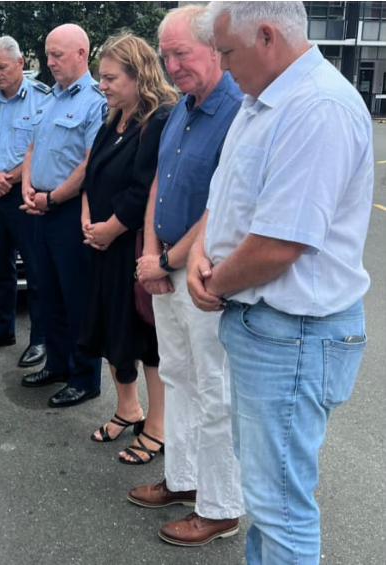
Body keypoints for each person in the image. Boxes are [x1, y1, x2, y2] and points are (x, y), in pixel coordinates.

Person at [188, 2, 373, 563]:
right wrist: (201, 251)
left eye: (226, 51)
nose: (221, 64)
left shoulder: (316, 107)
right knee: (267, 502)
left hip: (291, 335)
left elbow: (279, 243)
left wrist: (215, 281)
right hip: (268, 330)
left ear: (266, 35)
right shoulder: (262, 101)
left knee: (280, 509)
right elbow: (227, 201)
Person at [129, 4, 245, 546]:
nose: (172, 66)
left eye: (183, 54)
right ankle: (185, 479)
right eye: (166, 55)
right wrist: (151, 254)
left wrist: (169, 262)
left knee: (213, 389)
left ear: (215, 50)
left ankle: (220, 507)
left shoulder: (237, 111)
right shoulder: (182, 108)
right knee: (178, 378)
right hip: (167, 269)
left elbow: (222, 206)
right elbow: (160, 184)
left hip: (203, 278)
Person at [77, 32, 176, 466]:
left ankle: (156, 427)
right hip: (101, 242)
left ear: (139, 75)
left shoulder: (156, 121)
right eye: (101, 77)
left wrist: (110, 229)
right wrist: (86, 215)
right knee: (109, 329)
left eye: (111, 77)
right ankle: (126, 407)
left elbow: (143, 190)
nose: (103, 85)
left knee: (143, 336)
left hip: (130, 245)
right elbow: (92, 172)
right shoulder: (112, 117)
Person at [19, 23, 106, 407]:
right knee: (48, 293)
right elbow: (33, 146)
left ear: (81, 55)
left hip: (70, 212)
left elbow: (90, 164)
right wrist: (27, 185)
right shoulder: (49, 98)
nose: (49, 61)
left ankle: (85, 377)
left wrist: (52, 198)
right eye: (48, 54)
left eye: (57, 54)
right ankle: (57, 364)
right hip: (40, 209)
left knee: (77, 298)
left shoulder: (95, 101)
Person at [0, 36, 50, 368]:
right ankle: (1, 329)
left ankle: (40, 339)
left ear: (20, 64)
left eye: (2, 67)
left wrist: (9, 179)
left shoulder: (42, 100)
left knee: (36, 269)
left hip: (25, 193)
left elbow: (41, 150)